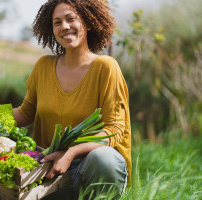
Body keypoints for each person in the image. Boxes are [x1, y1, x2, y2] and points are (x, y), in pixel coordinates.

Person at [13, 0, 132, 199]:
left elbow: (114, 129)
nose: (64, 26)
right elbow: (26, 112)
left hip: (88, 171)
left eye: (71, 19)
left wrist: (71, 152)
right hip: (48, 167)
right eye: (57, 22)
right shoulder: (43, 66)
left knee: (105, 159)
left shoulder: (106, 67)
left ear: (88, 22)